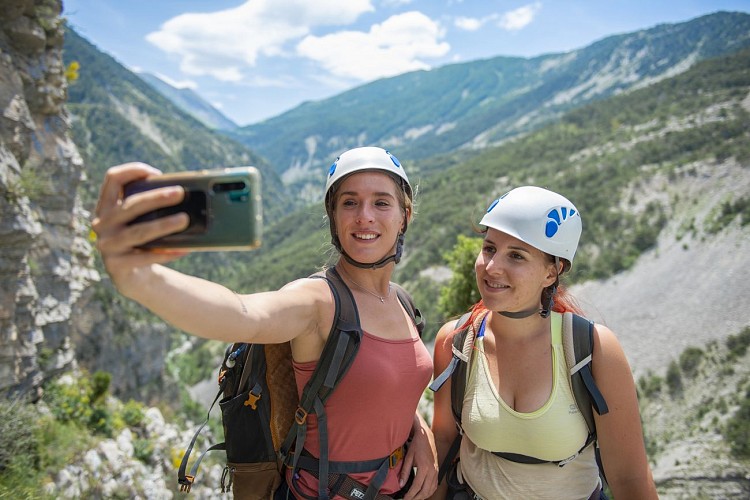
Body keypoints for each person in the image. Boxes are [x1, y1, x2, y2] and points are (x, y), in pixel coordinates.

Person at [92, 146, 438, 499]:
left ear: (404, 216)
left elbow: (384, 393)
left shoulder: (401, 301)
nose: (364, 216)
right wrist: (140, 278)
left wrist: (418, 430)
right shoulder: (318, 301)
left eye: (381, 202)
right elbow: (243, 314)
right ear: (333, 216)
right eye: (349, 203)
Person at [430, 186, 658, 499]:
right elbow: (442, 443)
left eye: (516, 256)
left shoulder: (593, 351)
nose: (492, 267)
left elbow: (631, 480)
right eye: (489, 248)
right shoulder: (457, 341)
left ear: (551, 272)